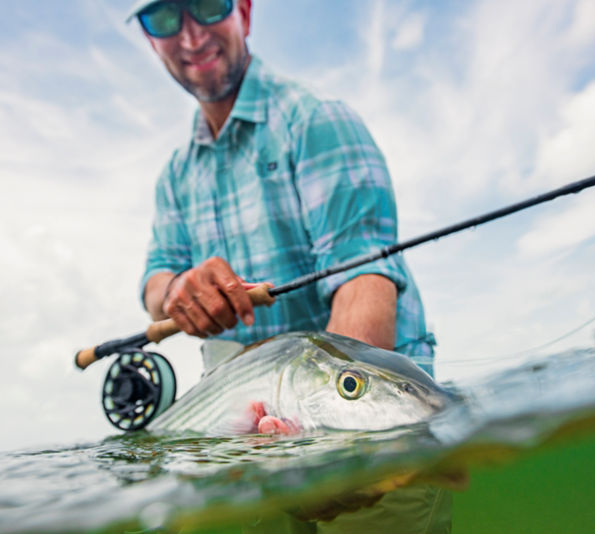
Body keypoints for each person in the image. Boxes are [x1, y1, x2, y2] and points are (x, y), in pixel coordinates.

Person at [127, 0, 452, 531]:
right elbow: (156, 277)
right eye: (164, 17)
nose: (190, 36)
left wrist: (330, 456)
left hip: (372, 442)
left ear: (245, 13)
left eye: (207, 5)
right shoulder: (175, 176)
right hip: (248, 454)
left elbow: (363, 279)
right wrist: (176, 292)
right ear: (149, 39)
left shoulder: (316, 120)